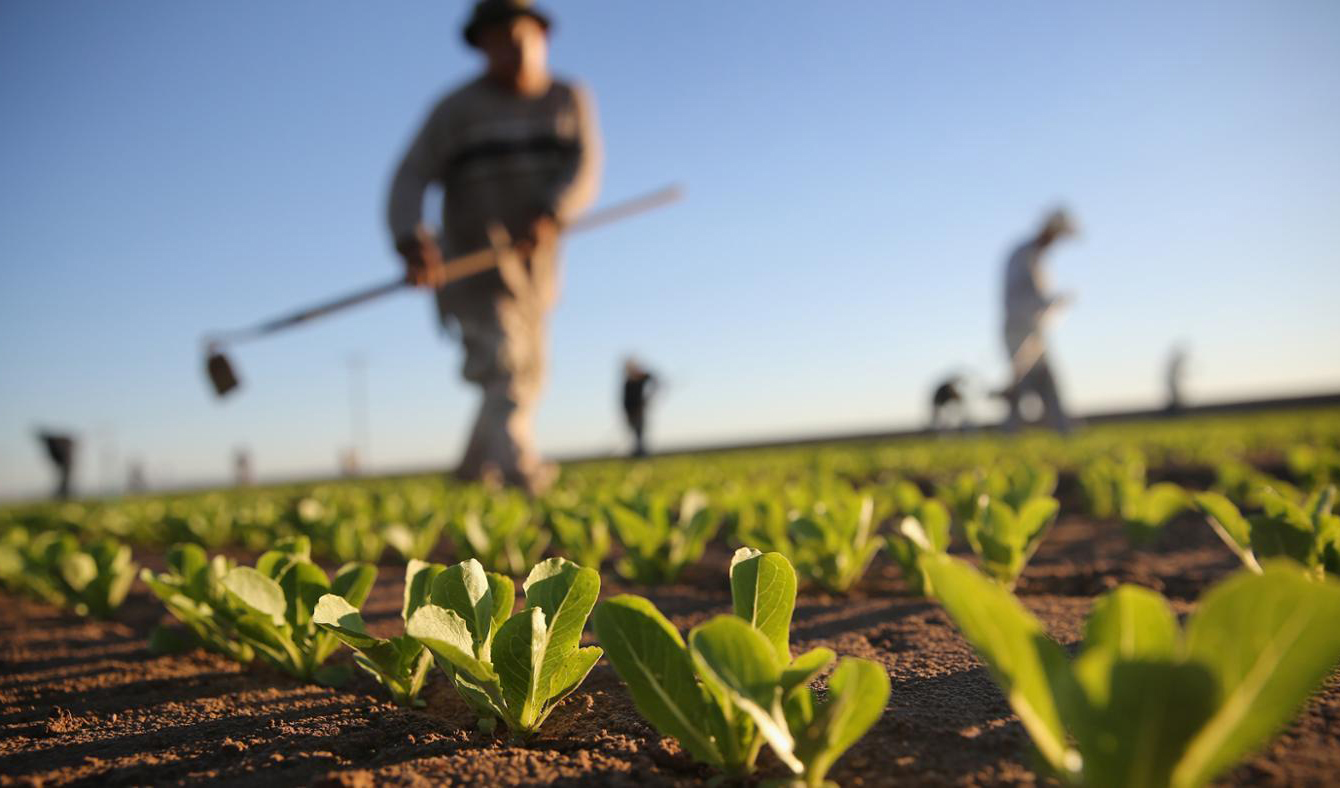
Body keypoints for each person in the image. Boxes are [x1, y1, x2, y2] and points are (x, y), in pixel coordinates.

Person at [387, 0, 602, 494]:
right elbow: (410, 176)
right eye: (499, 39)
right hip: (472, 262)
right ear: (481, 46)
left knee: (527, 371)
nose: (513, 49)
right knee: (503, 362)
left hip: (536, 268)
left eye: (521, 35)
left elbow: (584, 168)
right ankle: (520, 472)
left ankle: (469, 473)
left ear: (542, 36)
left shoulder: (568, 99)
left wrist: (553, 210)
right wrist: (409, 237)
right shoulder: (455, 111)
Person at [1000, 209, 1077, 432]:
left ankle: (1063, 431)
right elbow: (1023, 296)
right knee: (1022, 384)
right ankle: (1010, 435)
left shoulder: (1036, 257)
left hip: (1034, 331)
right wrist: (1053, 301)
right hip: (1019, 330)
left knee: (1046, 381)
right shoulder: (1024, 255)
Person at [622, 358, 658, 457]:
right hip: (631, 412)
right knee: (636, 434)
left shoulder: (641, 378)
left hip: (640, 411)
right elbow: (625, 401)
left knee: (640, 433)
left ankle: (641, 453)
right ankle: (638, 452)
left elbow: (653, 379)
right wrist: (628, 413)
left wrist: (649, 396)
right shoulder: (628, 383)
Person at [37, 431, 76, 500]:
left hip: (66, 460)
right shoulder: (52, 442)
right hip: (65, 460)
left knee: (66, 478)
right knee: (64, 478)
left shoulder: (52, 442)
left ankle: (65, 494)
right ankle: (63, 494)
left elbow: (58, 454)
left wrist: (60, 462)